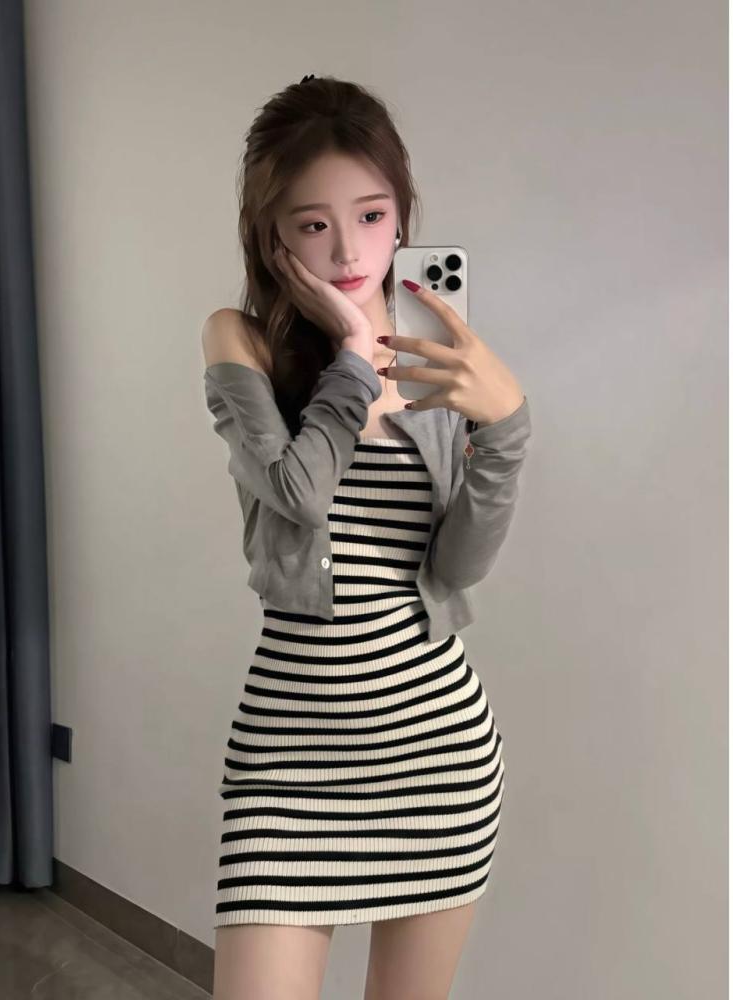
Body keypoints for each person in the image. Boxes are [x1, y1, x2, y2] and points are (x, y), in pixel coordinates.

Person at [202, 75, 530, 1000]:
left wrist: (505, 430)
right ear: (271, 235)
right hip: (287, 769)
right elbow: (296, 493)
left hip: (436, 761)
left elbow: (459, 566)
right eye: (313, 224)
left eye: (373, 216)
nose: (349, 250)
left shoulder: (439, 361)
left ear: (401, 216)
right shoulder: (241, 343)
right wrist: (352, 353)